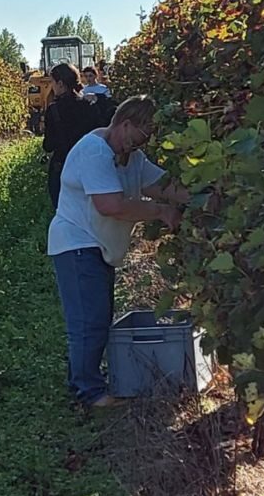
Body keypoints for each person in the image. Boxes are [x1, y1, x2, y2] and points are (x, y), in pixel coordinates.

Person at [47, 96, 187, 409]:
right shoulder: (94, 151)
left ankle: (81, 382)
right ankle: (90, 394)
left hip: (97, 244)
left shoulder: (131, 157)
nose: (138, 146)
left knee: (95, 317)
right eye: (138, 138)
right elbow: (110, 205)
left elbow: (162, 185)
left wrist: (204, 195)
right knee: (89, 321)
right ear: (125, 125)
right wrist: (162, 213)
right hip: (77, 243)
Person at [42, 63, 101, 209]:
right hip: (87, 165)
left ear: (60, 84)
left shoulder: (54, 109)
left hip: (63, 165)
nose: (52, 86)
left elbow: (49, 145)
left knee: (63, 209)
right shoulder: (88, 105)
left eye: (53, 82)